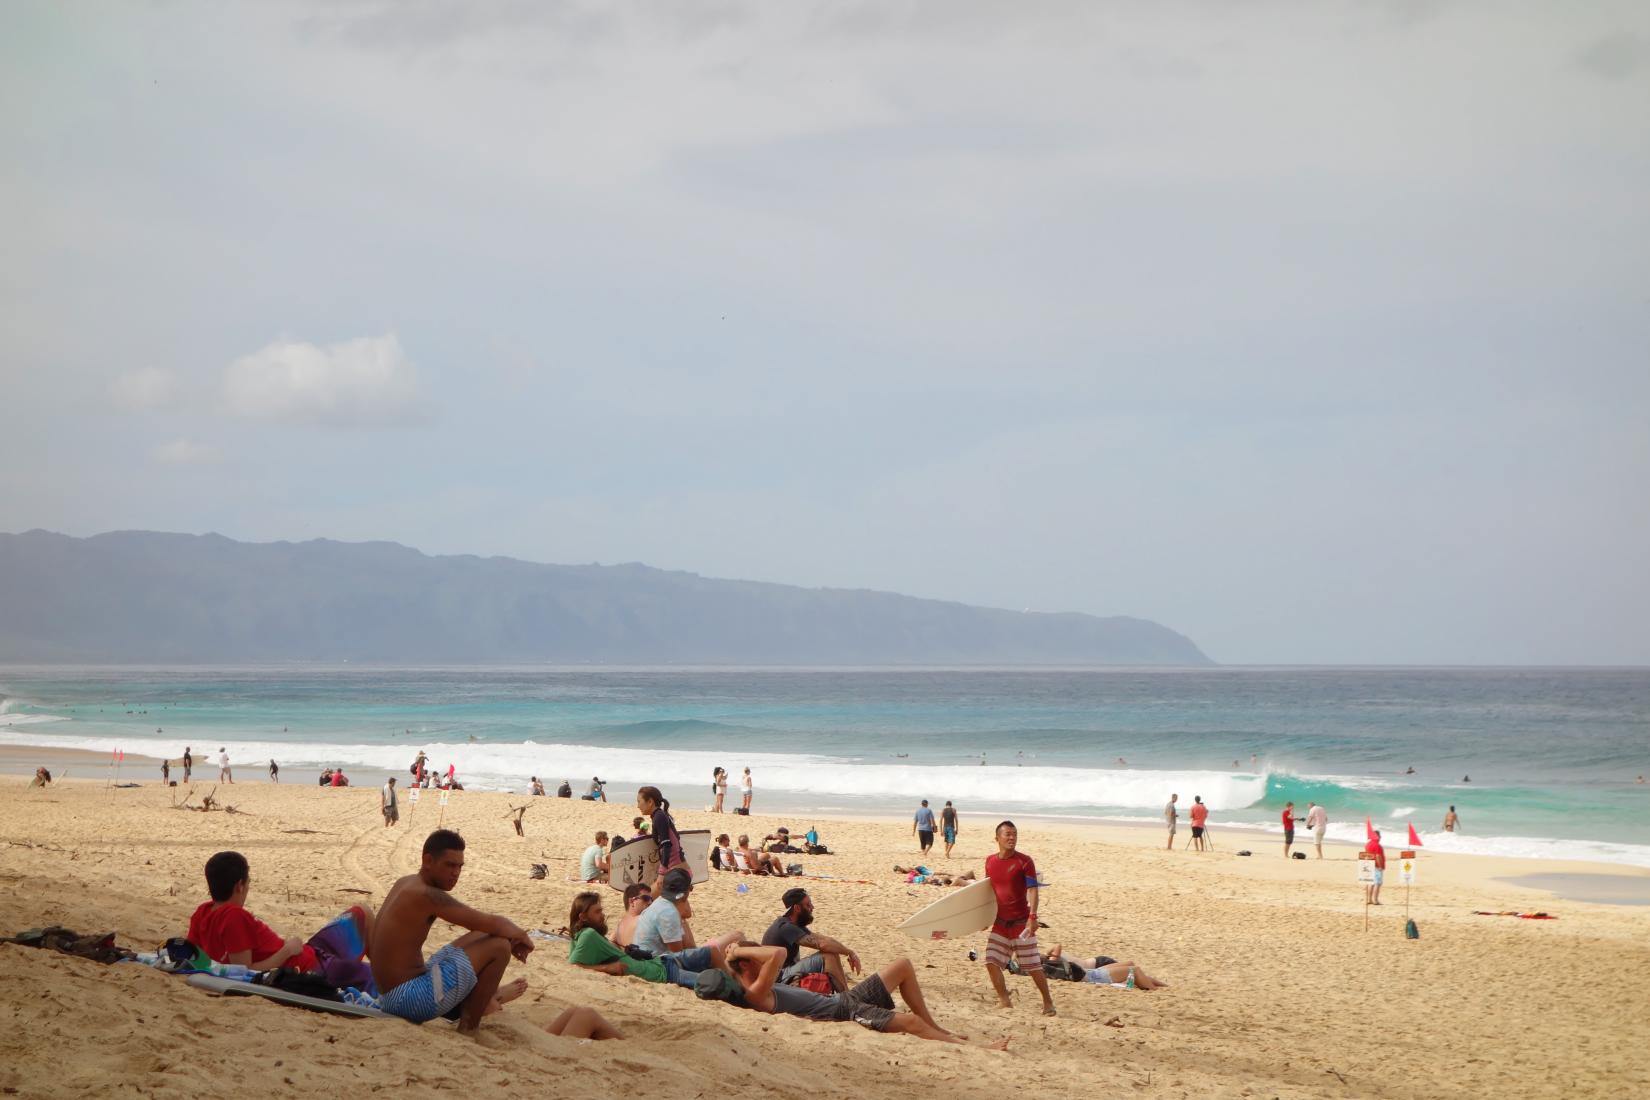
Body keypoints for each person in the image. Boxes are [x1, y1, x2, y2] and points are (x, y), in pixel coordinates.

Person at [370, 829, 533, 1032]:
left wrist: (511, 935)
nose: (455, 873)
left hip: (390, 994)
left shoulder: (406, 882)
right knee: (499, 946)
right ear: (428, 861)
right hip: (408, 999)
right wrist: (522, 936)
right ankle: (469, 1028)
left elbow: (484, 927)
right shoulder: (424, 894)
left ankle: (485, 1000)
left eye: (459, 866)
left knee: (485, 936)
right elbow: (485, 921)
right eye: (450, 865)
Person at [707, 943, 1002, 1048]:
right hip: (843, 1013)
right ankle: (979, 1048)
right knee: (910, 1022)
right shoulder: (754, 993)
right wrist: (741, 951)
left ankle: (938, 1030)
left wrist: (734, 952)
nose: (760, 959)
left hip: (843, 1000)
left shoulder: (755, 985)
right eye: (752, 956)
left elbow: (715, 953)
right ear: (746, 964)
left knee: (903, 965)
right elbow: (778, 953)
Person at [189, 850, 374, 989]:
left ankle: (377, 963)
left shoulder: (203, 912)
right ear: (239, 886)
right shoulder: (233, 916)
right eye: (247, 884)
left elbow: (195, 957)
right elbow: (245, 972)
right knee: (378, 977)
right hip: (310, 968)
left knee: (362, 912)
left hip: (311, 953)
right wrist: (287, 951)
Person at [984, 820, 1055, 1016]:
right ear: (997, 837)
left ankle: (1048, 1002)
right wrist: (983, 918)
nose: (1012, 838)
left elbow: (1033, 889)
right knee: (991, 961)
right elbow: (988, 893)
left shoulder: (1024, 861)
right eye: (1007, 834)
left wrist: (1033, 917)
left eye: (1014, 834)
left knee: (1032, 966)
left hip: (1021, 924)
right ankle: (1004, 1000)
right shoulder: (990, 861)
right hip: (1000, 923)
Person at [630, 868, 741, 984]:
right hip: (661, 965)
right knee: (713, 952)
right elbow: (679, 953)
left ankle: (730, 978)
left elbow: (687, 946)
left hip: (649, 962)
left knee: (715, 960)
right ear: (685, 893)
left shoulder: (660, 903)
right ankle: (732, 983)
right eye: (690, 888)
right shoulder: (668, 912)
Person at [762, 887, 860, 992]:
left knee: (831, 952)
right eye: (808, 905)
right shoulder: (786, 927)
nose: (812, 907)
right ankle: (847, 999)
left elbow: (825, 939)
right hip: (777, 978)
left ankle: (846, 996)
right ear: (797, 908)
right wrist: (849, 952)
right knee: (828, 956)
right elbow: (823, 945)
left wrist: (850, 952)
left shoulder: (793, 924)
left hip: (783, 972)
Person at [1043, 944, 1169, 990]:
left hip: (1094, 972)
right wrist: (1049, 956)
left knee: (1130, 963)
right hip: (1096, 977)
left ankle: (1164, 986)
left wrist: (1047, 955)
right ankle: (1153, 989)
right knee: (1134, 970)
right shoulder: (1051, 964)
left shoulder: (1051, 964)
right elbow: (1057, 946)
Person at [637, 785, 685, 891]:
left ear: (650, 802)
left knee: (647, 900)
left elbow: (667, 845)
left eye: (639, 801)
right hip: (678, 869)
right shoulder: (659, 816)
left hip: (675, 871)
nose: (638, 806)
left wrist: (662, 874)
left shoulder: (659, 817)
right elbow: (676, 839)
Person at [612, 883, 652, 947]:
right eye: (646, 898)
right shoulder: (644, 921)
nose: (650, 902)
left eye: (651, 899)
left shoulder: (618, 929)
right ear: (632, 901)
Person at [1365, 829, 1386, 905]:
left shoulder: (1368, 844)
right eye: (1380, 836)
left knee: (1371, 883)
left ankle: (1369, 899)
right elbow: (1378, 856)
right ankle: (1375, 900)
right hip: (1376, 866)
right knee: (1377, 883)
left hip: (1369, 865)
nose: (1380, 837)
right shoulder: (1377, 845)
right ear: (1377, 836)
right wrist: (1380, 866)